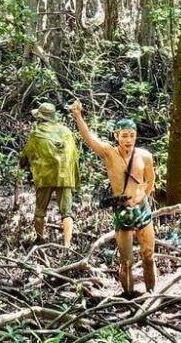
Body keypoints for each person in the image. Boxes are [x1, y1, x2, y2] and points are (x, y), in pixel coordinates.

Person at [70, 99, 156, 297]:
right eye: (124, 135)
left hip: (142, 209)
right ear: (117, 136)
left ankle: (152, 295)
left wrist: (142, 195)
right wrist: (78, 116)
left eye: (132, 135)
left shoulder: (145, 156)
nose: (128, 139)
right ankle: (128, 296)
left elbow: (150, 181)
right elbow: (89, 138)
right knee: (126, 261)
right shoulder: (110, 153)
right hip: (121, 209)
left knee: (148, 255)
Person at [19, 102, 79, 247]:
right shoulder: (66, 132)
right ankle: (67, 244)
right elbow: (74, 155)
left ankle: (39, 240)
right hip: (65, 175)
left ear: (40, 118)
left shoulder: (36, 134)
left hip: (44, 176)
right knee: (67, 211)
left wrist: (22, 163)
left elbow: (26, 155)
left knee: (40, 209)